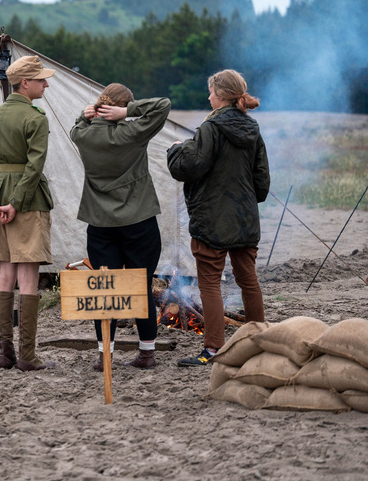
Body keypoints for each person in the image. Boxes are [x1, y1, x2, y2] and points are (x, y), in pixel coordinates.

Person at [168, 69, 269, 366]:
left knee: (209, 284)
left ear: (221, 95)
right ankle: (258, 344)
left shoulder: (210, 128)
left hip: (212, 220)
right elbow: (262, 182)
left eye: (211, 92)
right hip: (244, 218)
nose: (208, 96)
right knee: (248, 280)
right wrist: (247, 201)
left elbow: (192, 166)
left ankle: (213, 349)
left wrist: (175, 152)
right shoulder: (253, 129)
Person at [69, 84, 171, 371]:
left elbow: (76, 127)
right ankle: (147, 353)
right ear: (121, 108)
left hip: (100, 223)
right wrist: (129, 112)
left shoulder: (83, 134)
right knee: (140, 286)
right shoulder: (132, 133)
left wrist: (85, 115)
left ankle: (105, 355)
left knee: (106, 290)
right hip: (140, 221)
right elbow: (162, 103)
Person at [0, 55, 56, 372]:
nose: (46, 83)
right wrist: (17, 203)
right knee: (29, 278)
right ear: (25, 83)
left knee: (5, 275)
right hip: (28, 201)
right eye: (41, 79)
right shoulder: (36, 118)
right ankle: (27, 355)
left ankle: (4, 353)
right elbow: (35, 167)